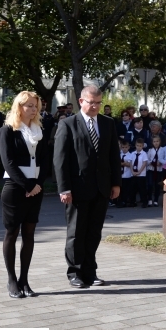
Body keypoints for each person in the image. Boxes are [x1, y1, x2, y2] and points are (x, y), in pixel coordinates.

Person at [53, 85, 121, 288]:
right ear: (81, 101)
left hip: (101, 187)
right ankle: (75, 272)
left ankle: (90, 271)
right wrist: (64, 189)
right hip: (77, 188)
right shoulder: (68, 124)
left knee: (94, 232)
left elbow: (113, 156)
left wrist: (116, 183)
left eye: (99, 103)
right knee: (76, 231)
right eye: (91, 102)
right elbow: (60, 160)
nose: (95, 106)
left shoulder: (108, 123)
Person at [0, 91, 51, 298]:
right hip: (15, 187)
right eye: (29, 105)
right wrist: (28, 185)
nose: (33, 109)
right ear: (19, 107)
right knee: (12, 233)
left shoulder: (40, 130)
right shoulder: (8, 130)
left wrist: (38, 184)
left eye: (35, 105)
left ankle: (24, 280)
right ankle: (12, 281)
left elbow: (45, 160)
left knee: (29, 234)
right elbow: (8, 162)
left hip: (36, 189)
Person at [145, 134, 164, 207]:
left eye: (157, 141)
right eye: (154, 141)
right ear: (152, 142)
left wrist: (160, 162)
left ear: (160, 142)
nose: (156, 143)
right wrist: (151, 163)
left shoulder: (162, 150)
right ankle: (149, 199)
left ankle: (156, 200)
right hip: (151, 169)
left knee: (157, 185)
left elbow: (164, 159)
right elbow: (147, 160)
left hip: (159, 170)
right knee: (150, 184)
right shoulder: (150, 150)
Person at [131, 138, 148, 208]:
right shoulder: (133, 153)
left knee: (142, 189)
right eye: (137, 145)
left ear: (143, 146)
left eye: (140, 146)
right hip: (133, 174)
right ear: (135, 145)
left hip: (141, 174)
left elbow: (144, 163)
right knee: (133, 188)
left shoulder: (144, 154)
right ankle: (132, 202)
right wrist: (132, 171)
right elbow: (130, 163)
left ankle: (144, 202)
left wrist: (139, 172)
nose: (139, 147)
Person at [117, 139, 133, 208]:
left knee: (126, 189)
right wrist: (123, 163)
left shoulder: (130, 155)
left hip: (127, 175)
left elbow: (130, 164)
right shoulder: (119, 154)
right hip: (121, 175)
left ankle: (126, 201)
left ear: (128, 147)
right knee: (121, 189)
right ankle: (120, 201)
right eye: (123, 147)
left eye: (126, 147)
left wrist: (122, 163)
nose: (124, 149)